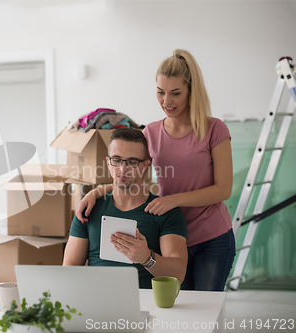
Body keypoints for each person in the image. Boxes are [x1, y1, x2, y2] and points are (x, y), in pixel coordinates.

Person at [76, 49, 235, 292]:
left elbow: (223, 189)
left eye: (175, 93)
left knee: (204, 311)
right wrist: (98, 192)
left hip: (210, 237)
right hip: (168, 234)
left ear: (192, 91)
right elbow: (133, 174)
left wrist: (172, 200)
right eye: (160, 92)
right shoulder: (149, 133)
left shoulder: (214, 129)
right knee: (177, 312)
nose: (166, 101)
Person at [63, 128, 188, 289]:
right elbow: (70, 268)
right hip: (96, 302)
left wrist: (147, 258)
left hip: (145, 305)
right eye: (117, 160)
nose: (123, 169)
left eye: (132, 162)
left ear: (145, 165)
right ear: (108, 163)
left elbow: (178, 274)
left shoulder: (165, 212)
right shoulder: (88, 210)